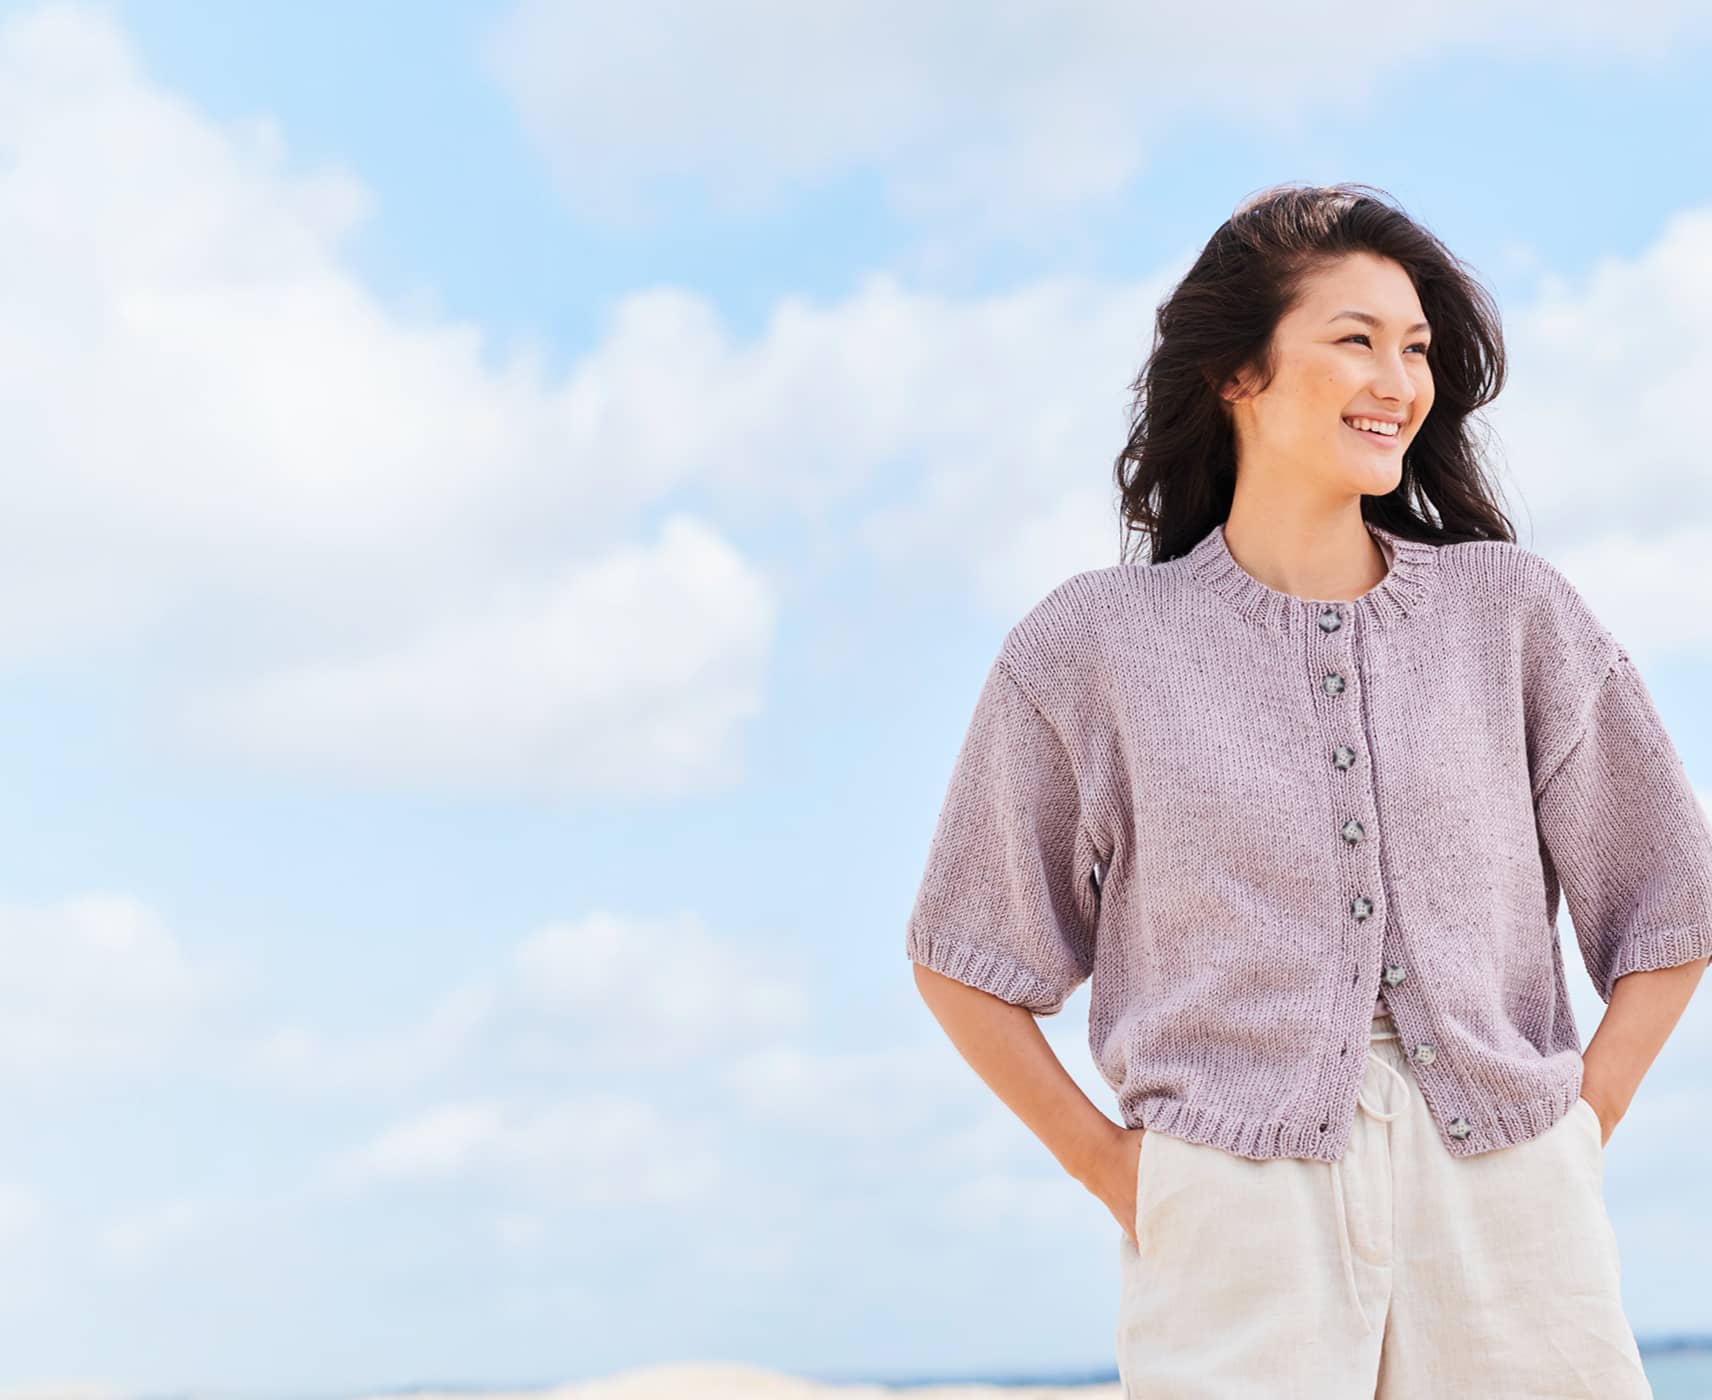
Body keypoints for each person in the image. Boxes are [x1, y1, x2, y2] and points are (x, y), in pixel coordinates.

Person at [903, 182, 1711, 1398]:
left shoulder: (1511, 613)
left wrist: (1578, 1125)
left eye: (1415, 348)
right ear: (1236, 372)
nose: (1397, 380)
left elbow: (1671, 897)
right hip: (1233, 1215)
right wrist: (1122, 1171)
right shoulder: (1091, 647)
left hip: (1509, 1204)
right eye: (1355, 339)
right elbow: (963, 955)